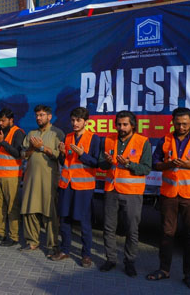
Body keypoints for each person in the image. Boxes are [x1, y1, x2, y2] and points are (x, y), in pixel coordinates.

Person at [146, 107, 190, 290]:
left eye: (185, 123)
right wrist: (167, 164)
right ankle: (164, 269)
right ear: (173, 122)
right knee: (166, 233)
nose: (181, 126)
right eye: (178, 123)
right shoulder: (165, 139)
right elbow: (155, 163)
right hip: (169, 194)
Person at [98, 110, 151, 277]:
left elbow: (147, 169)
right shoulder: (108, 140)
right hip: (111, 190)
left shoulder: (143, 142)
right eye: (119, 124)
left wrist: (129, 164)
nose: (121, 127)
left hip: (132, 192)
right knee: (108, 227)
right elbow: (102, 164)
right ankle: (111, 259)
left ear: (132, 125)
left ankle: (129, 262)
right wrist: (106, 162)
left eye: (125, 124)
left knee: (131, 229)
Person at [49, 107, 101, 266]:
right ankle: (65, 250)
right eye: (72, 120)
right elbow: (65, 163)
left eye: (78, 120)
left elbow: (96, 163)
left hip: (84, 187)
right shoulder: (68, 137)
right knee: (64, 219)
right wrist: (63, 154)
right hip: (66, 185)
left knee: (84, 222)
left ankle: (86, 255)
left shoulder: (94, 138)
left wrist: (82, 154)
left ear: (86, 122)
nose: (75, 123)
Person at [20, 105, 64, 254]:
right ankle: (32, 242)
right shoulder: (31, 133)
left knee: (49, 212)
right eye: (37, 115)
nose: (39, 118)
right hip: (31, 178)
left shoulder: (57, 133)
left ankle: (52, 245)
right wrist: (32, 148)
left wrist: (42, 147)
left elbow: (61, 156)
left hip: (48, 179)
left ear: (49, 117)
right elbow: (23, 155)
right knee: (30, 210)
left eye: (42, 115)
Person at [0, 108, 25, 247]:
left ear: (11, 120)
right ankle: (0, 233)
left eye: (3, 120)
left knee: (12, 208)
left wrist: (2, 141)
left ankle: (14, 236)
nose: (1, 123)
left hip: (12, 177)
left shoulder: (18, 133)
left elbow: (17, 153)